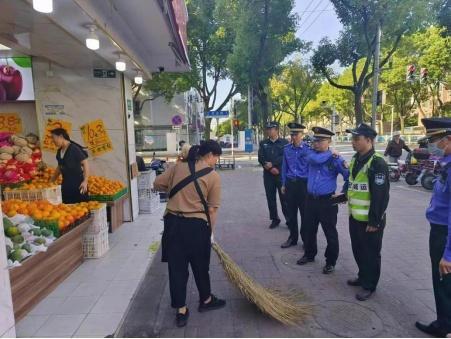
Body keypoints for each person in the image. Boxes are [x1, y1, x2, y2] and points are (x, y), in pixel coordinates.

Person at [153, 140, 226, 328]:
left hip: (173, 225)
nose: (216, 162)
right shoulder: (213, 176)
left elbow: (157, 183)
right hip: (196, 227)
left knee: (177, 269)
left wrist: (174, 189)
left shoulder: (177, 166)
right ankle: (206, 300)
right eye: (216, 158)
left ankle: (181, 310)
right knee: (201, 266)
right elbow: (212, 210)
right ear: (210, 155)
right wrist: (211, 233)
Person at [346, 123, 390, 301]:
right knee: (358, 249)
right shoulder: (356, 159)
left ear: (369, 141)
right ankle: (363, 276)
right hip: (355, 216)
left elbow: (381, 195)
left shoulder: (377, 163)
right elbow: (353, 184)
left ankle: (370, 285)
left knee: (371, 253)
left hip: (370, 220)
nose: (353, 142)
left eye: (357, 139)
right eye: (352, 139)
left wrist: (374, 221)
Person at [415, 118, 451, 337]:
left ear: (449, 139)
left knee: (443, 280)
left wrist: (448, 253)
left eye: (436, 141)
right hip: (440, 229)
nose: (433, 145)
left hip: (445, 234)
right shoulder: (446, 161)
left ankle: (443, 325)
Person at [297, 127, 349, 275]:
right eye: (315, 140)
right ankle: (309, 254)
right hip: (311, 200)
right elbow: (316, 159)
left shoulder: (337, 160)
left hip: (327, 201)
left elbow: (349, 176)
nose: (316, 143)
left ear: (329, 141)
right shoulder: (311, 153)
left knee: (330, 232)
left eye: (320, 141)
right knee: (308, 229)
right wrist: (330, 154)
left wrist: (343, 194)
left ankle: (330, 262)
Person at [280, 122, 311, 248]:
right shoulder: (287, 149)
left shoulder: (308, 149)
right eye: (292, 134)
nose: (294, 137)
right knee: (291, 213)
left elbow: (311, 167)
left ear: (302, 135)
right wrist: (283, 184)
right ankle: (292, 238)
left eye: (296, 134)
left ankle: (305, 239)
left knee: (305, 214)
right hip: (290, 184)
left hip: (303, 185)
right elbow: (284, 167)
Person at [258, 121, 289, 229]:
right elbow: (261, 158)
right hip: (268, 175)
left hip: (281, 174)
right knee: (270, 198)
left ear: (277, 130)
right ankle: (275, 219)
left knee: (284, 198)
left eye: (271, 129)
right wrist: (270, 167)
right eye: (268, 129)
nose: (269, 131)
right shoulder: (263, 143)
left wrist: (274, 164)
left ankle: (289, 220)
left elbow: (285, 157)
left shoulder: (285, 143)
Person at [50, 128, 89, 204]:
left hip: (78, 185)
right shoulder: (59, 151)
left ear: (60, 136)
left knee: (80, 210)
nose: (53, 141)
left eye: (53, 138)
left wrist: (85, 181)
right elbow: (59, 167)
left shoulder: (74, 149)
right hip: (66, 185)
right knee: (68, 210)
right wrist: (51, 181)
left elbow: (85, 163)